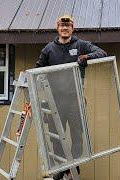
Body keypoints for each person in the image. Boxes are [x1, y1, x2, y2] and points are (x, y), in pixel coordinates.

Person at [36, 15, 107, 180]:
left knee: (77, 135)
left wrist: (86, 57)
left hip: (75, 100)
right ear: (57, 28)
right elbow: (38, 70)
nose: (65, 28)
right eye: (62, 25)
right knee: (56, 136)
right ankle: (62, 167)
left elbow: (102, 53)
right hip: (55, 101)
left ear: (72, 28)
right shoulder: (48, 49)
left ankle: (74, 165)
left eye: (68, 25)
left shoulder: (81, 45)